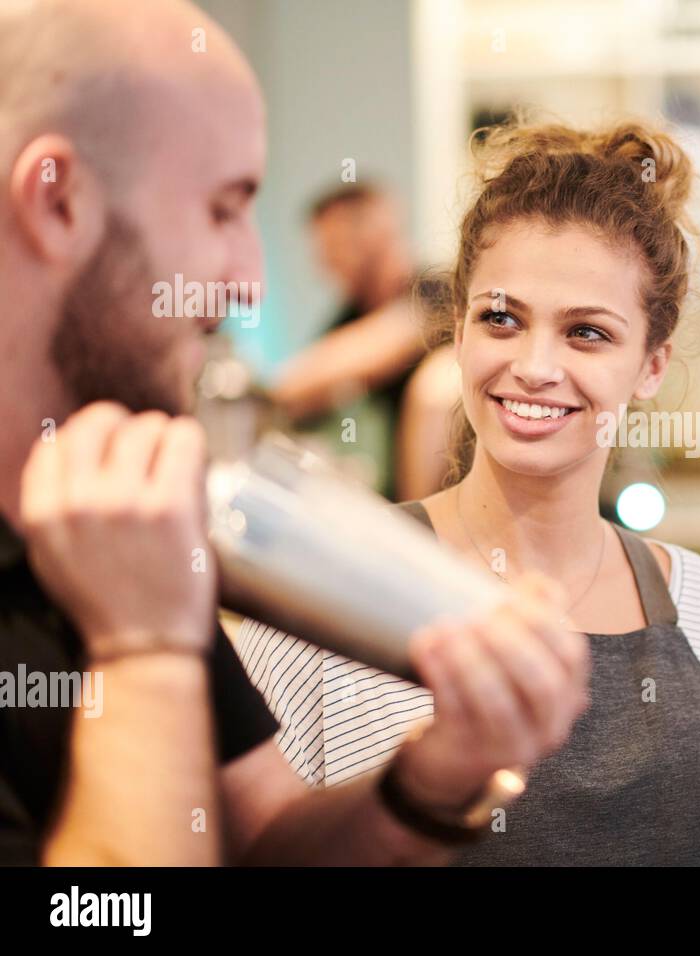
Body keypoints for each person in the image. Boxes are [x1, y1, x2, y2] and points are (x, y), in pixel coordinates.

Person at [0, 0, 588, 866]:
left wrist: (433, 782)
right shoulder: (141, 584)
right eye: (222, 210)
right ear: (58, 203)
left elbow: (263, 836)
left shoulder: (122, 524)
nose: (249, 283)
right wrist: (142, 654)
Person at [238, 119, 700, 865]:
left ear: (652, 364)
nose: (534, 366)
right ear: (458, 329)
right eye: (501, 318)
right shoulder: (322, 609)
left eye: (587, 333)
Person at [271, 183, 431, 500]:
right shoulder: (351, 312)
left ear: (375, 234)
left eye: (334, 246)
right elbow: (298, 384)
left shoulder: (433, 292)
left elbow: (376, 349)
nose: (325, 264)